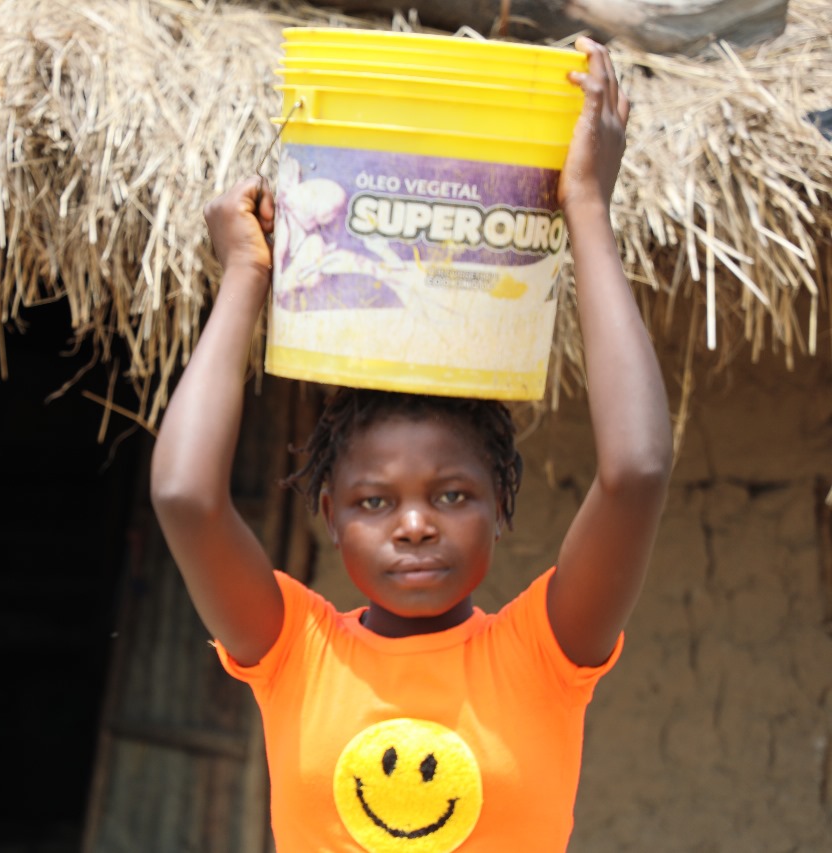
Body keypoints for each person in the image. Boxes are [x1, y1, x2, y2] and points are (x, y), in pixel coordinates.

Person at [149, 35, 672, 853]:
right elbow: (185, 496)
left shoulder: (543, 650)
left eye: (452, 494)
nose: (415, 523)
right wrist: (245, 277)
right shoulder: (296, 649)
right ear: (329, 514)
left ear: (502, 505)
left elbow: (637, 471)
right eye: (374, 500)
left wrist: (588, 209)